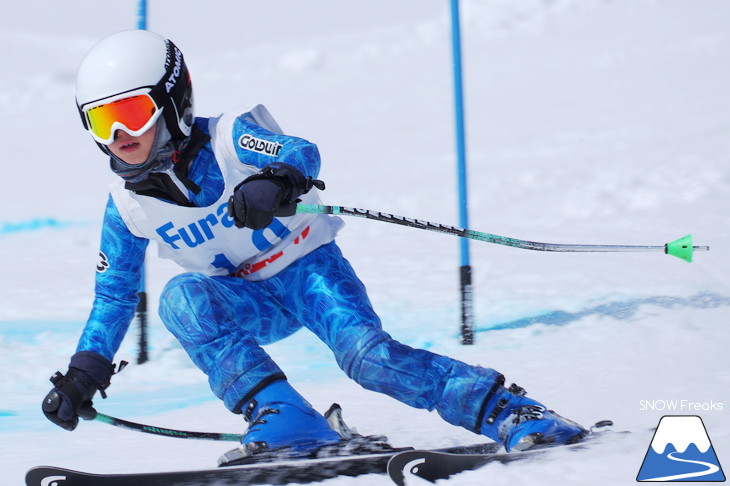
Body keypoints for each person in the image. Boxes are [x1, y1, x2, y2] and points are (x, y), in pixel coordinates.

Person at [42, 29, 587, 460]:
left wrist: (274, 179)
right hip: (246, 300)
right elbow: (114, 296)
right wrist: (85, 371)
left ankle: (510, 411)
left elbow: (301, 150)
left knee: (368, 361)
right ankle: (285, 418)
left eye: (131, 113)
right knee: (180, 299)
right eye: (101, 121)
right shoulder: (129, 206)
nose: (119, 136)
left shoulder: (229, 136)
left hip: (306, 270)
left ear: (172, 99)